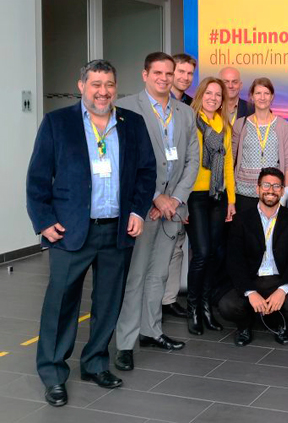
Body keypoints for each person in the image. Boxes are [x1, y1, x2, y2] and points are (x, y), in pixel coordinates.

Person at [26, 60, 156, 406]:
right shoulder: (58, 123)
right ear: (81, 86)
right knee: (61, 305)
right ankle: (53, 374)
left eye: (109, 84)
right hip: (69, 231)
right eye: (96, 84)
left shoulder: (132, 123)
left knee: (108, 303)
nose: (103, 91)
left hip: (117, 230)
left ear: (116, 87)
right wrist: (43, 220)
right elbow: (38, 177)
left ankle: (96, 363)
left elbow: (146, 172)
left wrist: (137, 211)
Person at [114, 52, 200, 371]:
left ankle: (151, 331)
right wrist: (154, 198)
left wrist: (174, 200)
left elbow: (192, 160)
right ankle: (125, 343)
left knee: (159, 275)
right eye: (158, 73)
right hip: (142, 209)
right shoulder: (125, 108)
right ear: (145, 74)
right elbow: (123, 160)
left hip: (172, 210)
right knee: (135, 276)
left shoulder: (185, 112)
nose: (164, 78)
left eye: (169, 73)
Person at [216, 167, 288, 346]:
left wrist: (282, 290)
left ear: (282, 191)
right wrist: (250, 292)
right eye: (266, 185)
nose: (271, 190)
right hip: (252, 277)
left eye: (276, 186)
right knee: (227, 306)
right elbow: (235, 260)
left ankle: (282, 325)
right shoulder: (241, 219)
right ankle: (244, 326)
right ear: (258, 189)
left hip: (280, 278)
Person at [183, 77, 237, 335]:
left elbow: (228, 165)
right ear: (200, 95)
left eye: (218, 95)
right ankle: (193, 308)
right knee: (202, 253)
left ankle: (206, 308)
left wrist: (231, 200)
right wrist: (179, 199)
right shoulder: (190, 121)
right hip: (194, 195)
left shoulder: (224, 125)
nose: (213, 98)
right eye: (209, 93)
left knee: (214, 254)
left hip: (217, 195)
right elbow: (182, 162)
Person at [162, 53, 198, 320]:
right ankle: (150, 299)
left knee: (176, 246)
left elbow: (192, 155)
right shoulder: (156, 104)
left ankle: (168, 299)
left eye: (189, 73)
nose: (185, 77)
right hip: (156, 191)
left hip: (181, 192)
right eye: (181, 72)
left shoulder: (190, 105)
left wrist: (180, 197)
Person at [233, 77, 288, 213]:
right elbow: (231, 158)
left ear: (272, 97)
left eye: (266, 93)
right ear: (252, 96)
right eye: (258, 93)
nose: (262, 97)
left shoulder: (283, 125)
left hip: (272, 192)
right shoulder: (240, 124)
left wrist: (286, 190)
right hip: (243, 191)